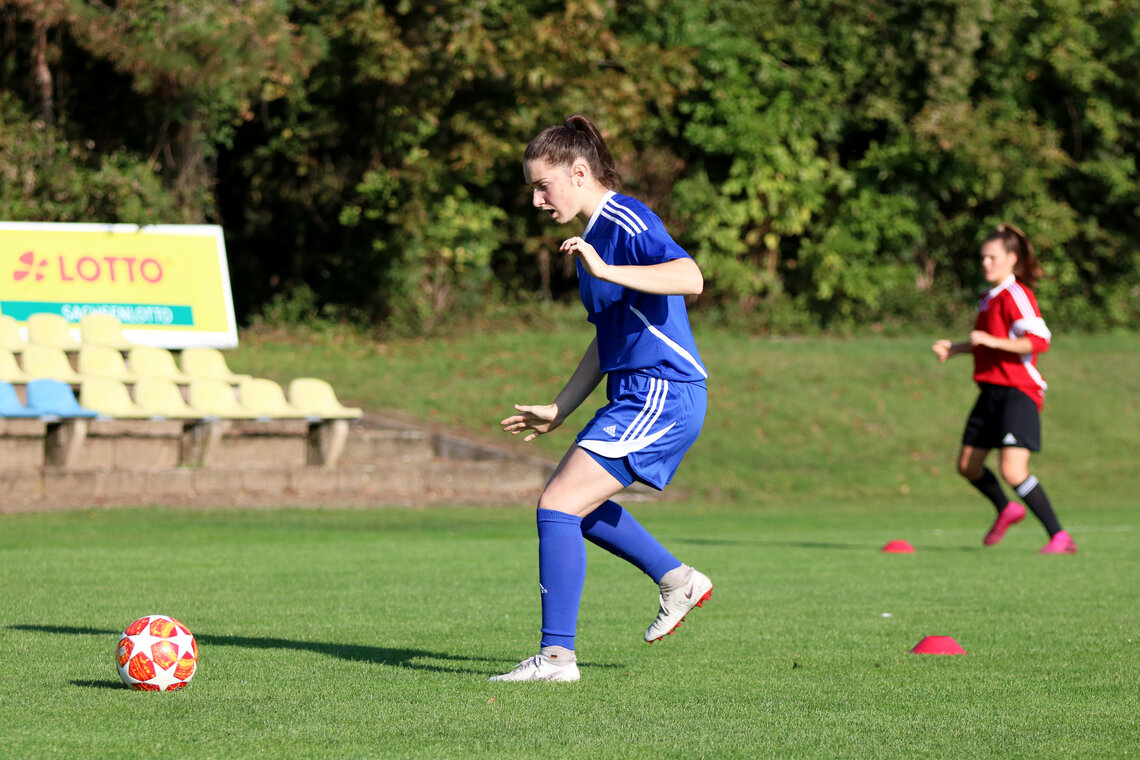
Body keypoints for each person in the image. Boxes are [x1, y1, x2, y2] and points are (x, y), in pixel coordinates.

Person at [489, 115, 713, 682]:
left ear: (580, 172)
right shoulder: (591, 241)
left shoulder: (624, 217)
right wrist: (560, 408)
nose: (538, 200)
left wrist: (608, 266)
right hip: (637, 391)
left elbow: (691, 278)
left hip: (663, 389)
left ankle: (557, 659)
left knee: (557, 507)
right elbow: (605, 339)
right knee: (572, 510)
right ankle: (677, 580)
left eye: (544, 185)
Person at [932, 223, 1076, 554]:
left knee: (1013, 470)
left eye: (992, 257)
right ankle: (1006, 508)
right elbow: (988, 345)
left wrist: (989, 340)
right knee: (967, 465)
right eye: (982, 258)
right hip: (991, 392)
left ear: (1012, 259)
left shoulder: (1017, 295)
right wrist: (956, 348)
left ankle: (1059, 536)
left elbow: (1040, 341)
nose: (985, 263)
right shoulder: (988, 298)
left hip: (1018, 391)